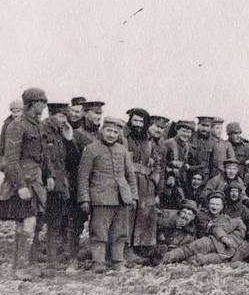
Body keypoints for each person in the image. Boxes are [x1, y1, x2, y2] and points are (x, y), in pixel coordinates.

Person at [0, 88, 50, 279]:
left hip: (36, 178)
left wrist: (48, 175)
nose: (43, 105)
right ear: (30, 104)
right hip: (23, 179)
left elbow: (43, 154)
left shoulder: (38, 126)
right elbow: (11, 159)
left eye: (44, 101)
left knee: (30, 221)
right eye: (40, 102)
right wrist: (20, 186)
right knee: (27, 222)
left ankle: (24, 265)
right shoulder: (16, 126)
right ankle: (20, 267)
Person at [77, 116, 138, 273]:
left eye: (115, 132)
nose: (111, 135)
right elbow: (83, 176)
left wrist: (133, 196)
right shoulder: (91, 149)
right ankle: (99, 262)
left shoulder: (122, 150)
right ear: (102, 131)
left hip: (122, 198)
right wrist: (84, 199)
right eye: (108, 131)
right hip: (100, 198)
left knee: (120, 231)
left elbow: (130, 175)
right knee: (99, 232)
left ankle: (118, 261)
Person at [161, 192, 245, 266]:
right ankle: (162, 260)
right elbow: (176, 214)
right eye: (212, 204)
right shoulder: (200, 214)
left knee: (193, 261)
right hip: (193, 243)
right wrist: (175, 221)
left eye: (217, 205)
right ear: (208, 204)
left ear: (222, 206)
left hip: (211, 249)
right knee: (182, 253)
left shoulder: (226, 220)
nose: (214, 207)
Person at [40, 103, 77, 267]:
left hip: (59, 183)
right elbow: (41, 156)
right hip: (44, 182)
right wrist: (48, 175)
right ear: (51, 115)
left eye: (65, 116)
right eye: (61, 116)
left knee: (55, 221)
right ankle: (34, 255)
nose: (64, 120)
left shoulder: (62, 132)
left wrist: (69, 139)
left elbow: (72, 159)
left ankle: (52, 259)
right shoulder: (42, 130)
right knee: (38, 220)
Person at [68, 100, 105, 260]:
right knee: (76, 222)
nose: (99, 117)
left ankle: (96, 254)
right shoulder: (76, 135)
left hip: (98, 185)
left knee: (98, 222)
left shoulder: (101, 135)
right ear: (85, 113)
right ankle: (72, 258)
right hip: (79, 184)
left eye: (100, 114)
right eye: (96, 113)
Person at [123, 108, 159, 262]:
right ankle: (125, 249)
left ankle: (140, 248)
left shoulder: (149, 140)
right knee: (127, 215)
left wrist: (154, 179)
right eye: (135, 121)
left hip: (145, 182)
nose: (138, 125)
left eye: (141, 122)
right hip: (127, 180)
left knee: (144, 215)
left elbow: (157, 161)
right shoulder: (123, 137)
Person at [151, 199, 199, 265]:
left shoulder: (191, 232)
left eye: (189, 214)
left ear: (193, 217)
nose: (185, 216)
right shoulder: (169, 217)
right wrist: (172, 223)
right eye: (184, 212)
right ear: (180, 212)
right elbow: (154, 217)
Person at [0, 99, 23, 171]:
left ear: (23, 111)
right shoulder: (6, 126)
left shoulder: (27, 125)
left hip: (24, 166)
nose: (16, 114)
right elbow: (0, 147)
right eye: (14, 112)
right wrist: (2, 164)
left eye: (18, 111)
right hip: (10, 166)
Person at [226, 122, 249, 188]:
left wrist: (245, 182)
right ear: (229, 134)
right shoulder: (225, 145)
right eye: (235, 133)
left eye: (239, 133)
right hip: (228, 177)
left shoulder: (245, 146)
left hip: (242, 178)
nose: (238, 136)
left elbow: (248, 166)